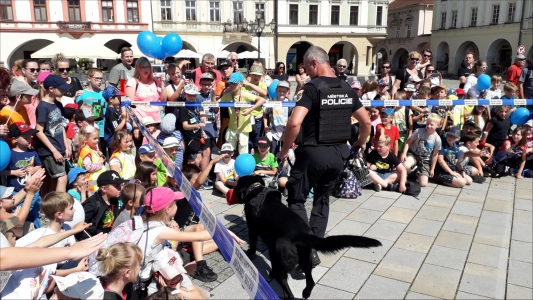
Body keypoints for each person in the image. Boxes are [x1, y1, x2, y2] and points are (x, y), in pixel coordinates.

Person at [277, 46, 370, 267]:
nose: (307, 73)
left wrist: (284, 148)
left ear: (314, 63)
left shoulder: (311, 88)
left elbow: (294, 122)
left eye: (307, 68)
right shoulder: (346, 88)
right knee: (322, 199)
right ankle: (314, 246)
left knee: (297, 198)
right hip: (339, 154)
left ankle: (305, 248)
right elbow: (365, 122)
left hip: (312, 152)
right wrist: (361, 142)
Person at [35, 75, 70, 194]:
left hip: (60, 148)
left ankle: (48, 208)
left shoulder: (58, 105)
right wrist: (54, 151)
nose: (64, 91)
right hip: (49, 150)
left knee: (54, 181)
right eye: (61, 88)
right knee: (62, 178)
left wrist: (67, 145)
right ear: (51, 89)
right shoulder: (42, 106)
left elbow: (61, 126)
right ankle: (59, 206)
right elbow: (39, 131)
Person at [4, 122, 42, 227]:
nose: (29, 139)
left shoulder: (32, 152)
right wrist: (14, 172)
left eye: (30, 137)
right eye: (25, 137)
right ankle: (17, 233)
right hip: (16, 192)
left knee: (34, 213)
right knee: (19, 213)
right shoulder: (10, 154)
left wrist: (33, 169)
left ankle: (38, 231)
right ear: (15, 139)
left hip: (34, 190)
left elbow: (39, 166)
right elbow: (2, 171)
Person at [219, 72, 266, 155]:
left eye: (235, 83)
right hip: (232, 128)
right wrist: (213, 93)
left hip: (244, 128)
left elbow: (262, 100)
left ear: (241, 84)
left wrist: (250, 110)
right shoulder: (228, 95)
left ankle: (242, 167)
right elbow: (216, 104)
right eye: (231, 83)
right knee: (228, 152)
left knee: (243, 153)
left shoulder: (245, 94)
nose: (232, 85)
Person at [126, 57, 166, 142]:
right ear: (137, 68)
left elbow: (163, 99)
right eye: (142, 67)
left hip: (156, 121)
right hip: (141, 122)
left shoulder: (155, 81)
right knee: (143, 151)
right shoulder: (133, 81)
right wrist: (135, 124)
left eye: (148, 67)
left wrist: (163, 84)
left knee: (157, 151)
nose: (146, 69)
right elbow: (130, 105)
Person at [81, 170, 128, 239]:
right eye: (116, 186)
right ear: (104, 189)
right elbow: (81, 227)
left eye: (121, 185)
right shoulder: (92, 204)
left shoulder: (116, 200)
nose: (120, 188)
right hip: (96, 242)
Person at [400, 113, 442, 187]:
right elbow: (408, 142)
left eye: (431, 125)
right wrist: (404, 153)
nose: (429, 126)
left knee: (423, 184)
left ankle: (415, 173)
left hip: (425, 160)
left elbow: (435, 155)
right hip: (414, 154)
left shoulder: (437, 139)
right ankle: (406, 174)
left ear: (437, 125)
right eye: (427, 124)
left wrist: (432, 169)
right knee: (406, 165)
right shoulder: (418, 131)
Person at [0, 80, 38, 147]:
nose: (32, 96)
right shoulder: (4, 115)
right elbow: (6, 139)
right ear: (18, 97)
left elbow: (27, 128)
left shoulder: (23, 108)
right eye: (28, 95)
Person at [264, 80, 292, 154]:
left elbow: (291, 119)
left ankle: (282, 165)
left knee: (284, 153)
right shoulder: (271, 102)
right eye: (280, 91)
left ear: (287, 92)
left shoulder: (290, 104)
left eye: (284, 91)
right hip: (273, 132)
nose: (282, 93)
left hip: (285, 132)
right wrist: (265, 126)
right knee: (272, 152)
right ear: (276, 90)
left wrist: (287, 133)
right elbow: (265, 114)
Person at [77, 126, 107, 191]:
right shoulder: (86, 151)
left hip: (97, 181)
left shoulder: (91, 149)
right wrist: (100, 162)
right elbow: (88, 167)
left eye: (98, 138)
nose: (97, 140)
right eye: (95, 138)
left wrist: (101, 156)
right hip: (93, 183)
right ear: (85, 139)